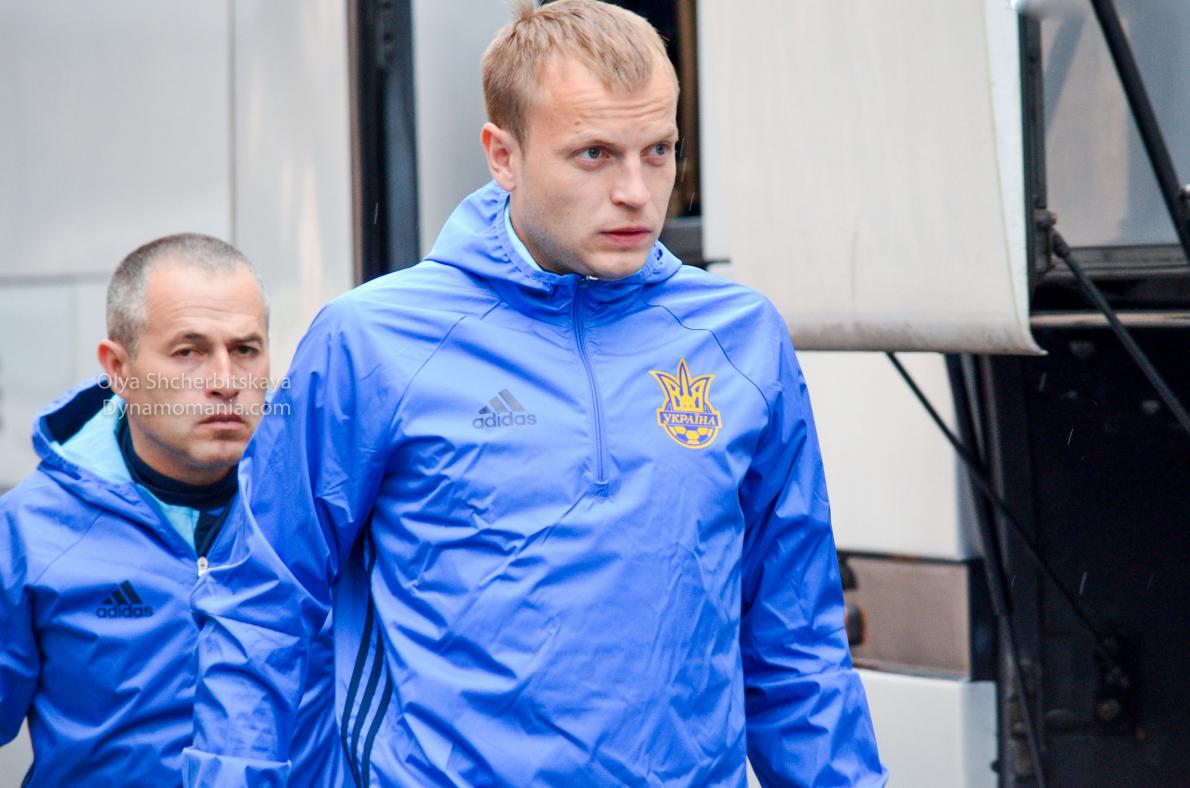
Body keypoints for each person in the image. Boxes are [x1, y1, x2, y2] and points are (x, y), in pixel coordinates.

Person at [186, 1, 887, 785]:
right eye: (594, 154)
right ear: (503, 155)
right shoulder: (370, 341)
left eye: (658, 150)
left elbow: (796, 642)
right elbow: (262, 605)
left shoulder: (743, 338)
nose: (636, 192)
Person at [0, 234, 342, 786]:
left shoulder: (327, 516)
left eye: (246, 350)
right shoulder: (28, 532)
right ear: (119, 368)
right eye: (189, 352)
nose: (225, 382)